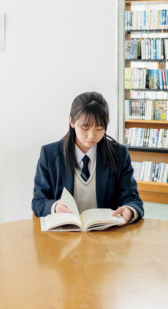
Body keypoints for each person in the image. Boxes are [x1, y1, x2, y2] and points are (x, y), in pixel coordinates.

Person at [32, 91, 144, 224]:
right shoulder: (50, 154)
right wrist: (54, 206)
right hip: (64, 234)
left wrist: (129, 210)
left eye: (99, 128)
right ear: (72, 122)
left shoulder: (119, 154)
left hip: (107, 234)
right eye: (85, 127)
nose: (92, 136)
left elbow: (133, 199)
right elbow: (38, 202)